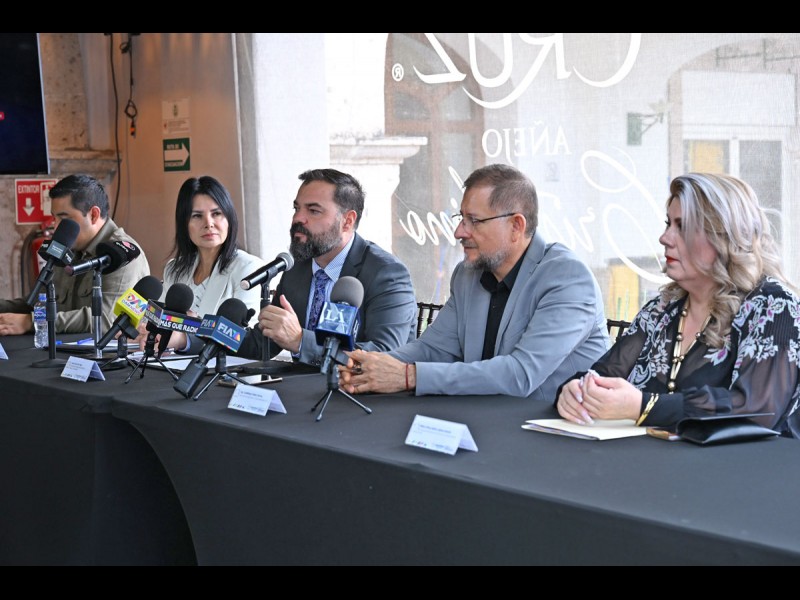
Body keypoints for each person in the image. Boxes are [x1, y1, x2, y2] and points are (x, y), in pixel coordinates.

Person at [555, 172, 800, 437]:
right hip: (649, 460)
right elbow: (602, 375)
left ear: (724, 237)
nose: (665, 238)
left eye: (682, 227)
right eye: (668, 224)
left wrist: (644, 407)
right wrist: (574, 391)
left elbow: (757, 411)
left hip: (741, 464)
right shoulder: (662, 309)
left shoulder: (775, 308)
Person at [339, 163, 610, 400]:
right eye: (461, 218)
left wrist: (409, 376)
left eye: (474, 221)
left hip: (556, 432)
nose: (459, 232)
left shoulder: (568, 279)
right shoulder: (468, 275)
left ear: (516, 226)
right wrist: (367, 366)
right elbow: (432, 349)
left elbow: (520, 375)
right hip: (486, 422)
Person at [233, 167, 417, 367]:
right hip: (302, 384)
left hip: (359, 387)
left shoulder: (386, 273)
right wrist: (213, 332)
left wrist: (300, 341)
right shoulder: (297, 267)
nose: (298, 218)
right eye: (296, 209)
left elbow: (384, 355)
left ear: (347, 221)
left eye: (313, 211)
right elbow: (264, 343)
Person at [0, 174, 150, 334]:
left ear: (93, 215)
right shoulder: (69, 246)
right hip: (61, 346)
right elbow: (36, 302)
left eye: (64, 219)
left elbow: (108, 319)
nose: (56, 227)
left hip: (102, 350)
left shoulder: (123, 255)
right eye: (54, 218)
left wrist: (33, 321)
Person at [159, 175, 265, 324]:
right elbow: (159, 321)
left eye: (216, 214)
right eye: (197, 216)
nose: (209, 223)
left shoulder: (248, 269)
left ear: (229, 218)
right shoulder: (173, 270)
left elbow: (245, 333)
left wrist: (187, 332)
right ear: (184, 224)